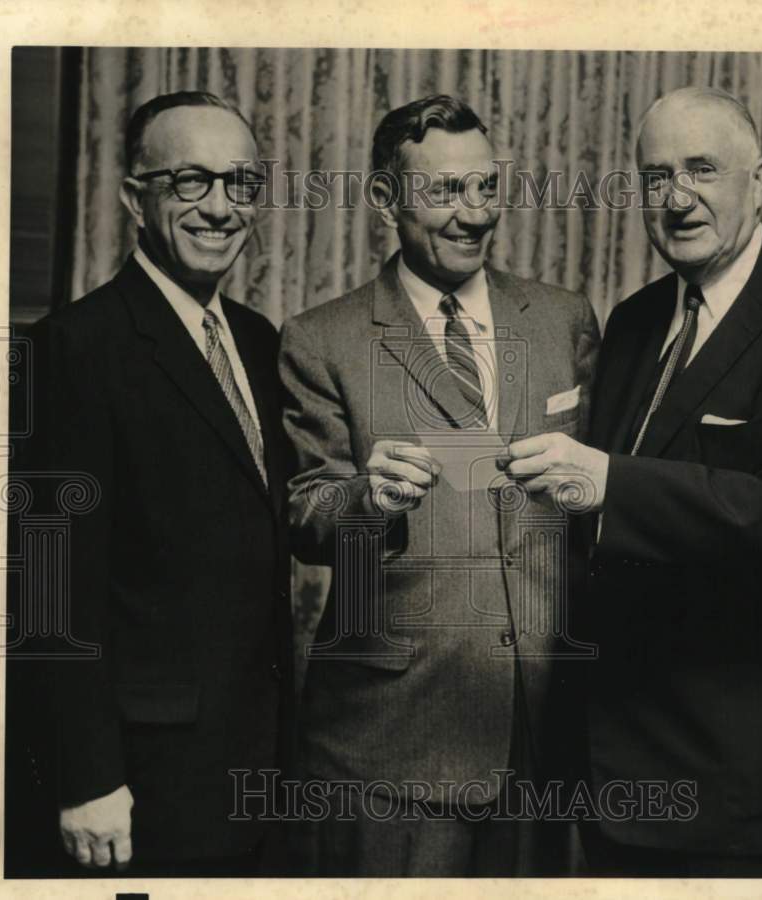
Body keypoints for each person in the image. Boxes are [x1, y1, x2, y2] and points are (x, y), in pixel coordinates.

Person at [504, 86, 762, 875]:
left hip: (745, 785)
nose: (676, 198)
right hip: (617, 774)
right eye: (655, 176)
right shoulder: (636, 320)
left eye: (702, 169)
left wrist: (612, 484)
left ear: (760, 180)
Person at [278, 94, 599, 875]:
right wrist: (363, 498)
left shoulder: (563, 320)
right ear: (386, 200)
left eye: (485, 188)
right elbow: (304, 511)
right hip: (392, 741)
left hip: (543, 727)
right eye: (445, 193)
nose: (473, 214)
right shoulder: (323, 340)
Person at [15, 91, 294, 875]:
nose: (219, 208)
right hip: (136, 785)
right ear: (134, 197)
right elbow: (48, 588)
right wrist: (86, 777)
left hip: (253, 768)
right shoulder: (73, 349)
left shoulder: (256, 339)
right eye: (189, 182)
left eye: (240, 183)